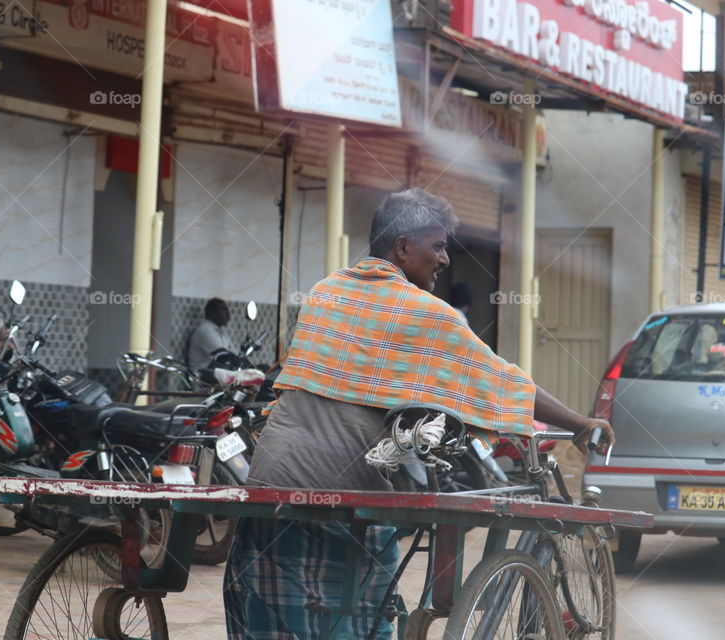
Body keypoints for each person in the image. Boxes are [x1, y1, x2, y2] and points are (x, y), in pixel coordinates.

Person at [223, 188, 615, 640]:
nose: (445, 259)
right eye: (439, 245)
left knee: (277, 620)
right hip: (344, 496)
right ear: (403, 247)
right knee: (362, 614)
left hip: (269, 486)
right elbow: (502, 381)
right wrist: (580, 423)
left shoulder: (324, 294)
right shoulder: (429, 315)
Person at [187, 297, 234, 371]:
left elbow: (233, 352)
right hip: (202, 378)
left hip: (216, 375)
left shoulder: (222, 332)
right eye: (224, 310)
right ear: (212, 313)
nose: (228, 314)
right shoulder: (204, 331)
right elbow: (222, 355)